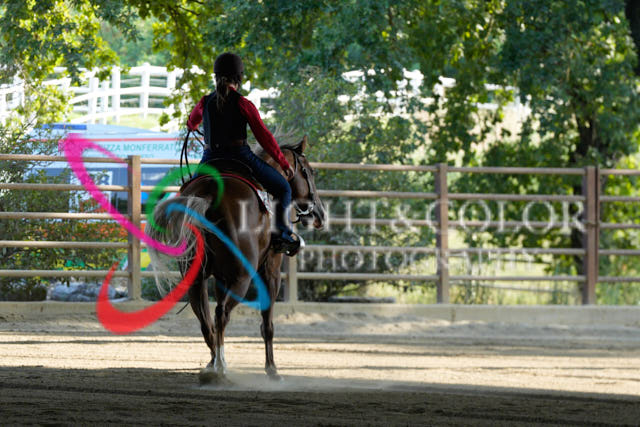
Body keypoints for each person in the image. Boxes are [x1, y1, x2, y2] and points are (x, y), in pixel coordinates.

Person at [186, 52, 300, 255]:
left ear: (216, 76)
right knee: (283, 189)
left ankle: (182, 237)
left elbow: (191, 123)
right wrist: (283, 163)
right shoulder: (243, 103)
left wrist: (197, 125)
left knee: (187, 194)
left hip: (210, 160)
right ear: (238, 78)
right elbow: (264, 137)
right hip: (240, 158)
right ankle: (282, 234)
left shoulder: (205, 102)